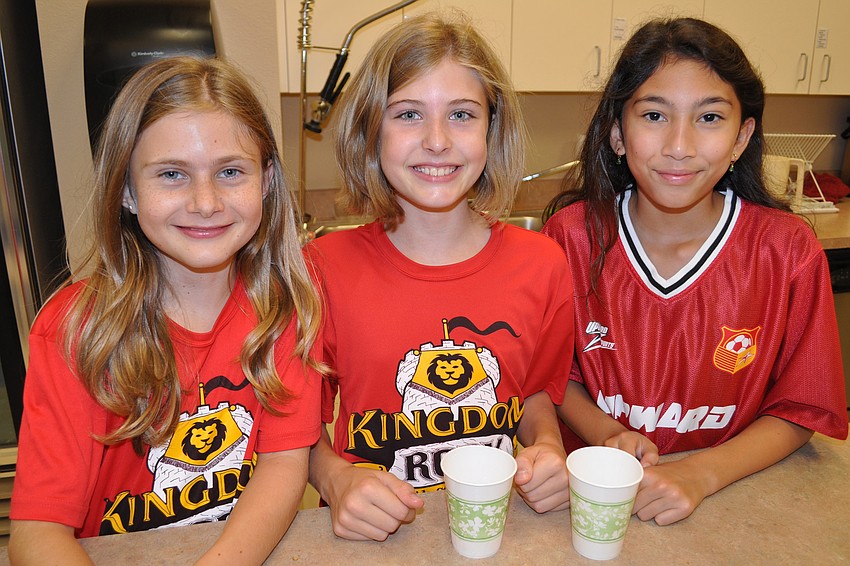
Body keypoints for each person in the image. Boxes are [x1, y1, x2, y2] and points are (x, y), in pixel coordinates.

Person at [8, 56, 323, 564]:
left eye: (229, 172)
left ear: (265, 181)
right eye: (172, 174)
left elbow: (284, 465)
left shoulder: (285, 309)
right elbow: (37, 533)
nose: (205, 202)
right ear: (127, 191)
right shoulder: (74, 330)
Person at [541, 17, 848, 527]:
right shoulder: (570, 237)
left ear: (741, 137)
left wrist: (700, 474)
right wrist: (605, 434)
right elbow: (551, 375)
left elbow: (802, 408)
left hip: (735, 501)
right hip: (591, 499)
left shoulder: (786, 250)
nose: (679, 145)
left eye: (709, 118)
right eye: (655, 115)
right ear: (617, 133)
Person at [306, 12, 574, 542]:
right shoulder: (323, 268)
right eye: (407, 114)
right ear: (370, 129)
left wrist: (548, 446)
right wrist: (337, 479)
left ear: (492, 129)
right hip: (372, 538)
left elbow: (534, 394)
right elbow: (296, 429)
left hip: (495, 528)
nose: (436, 141)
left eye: (462, 115)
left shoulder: (543, 264)